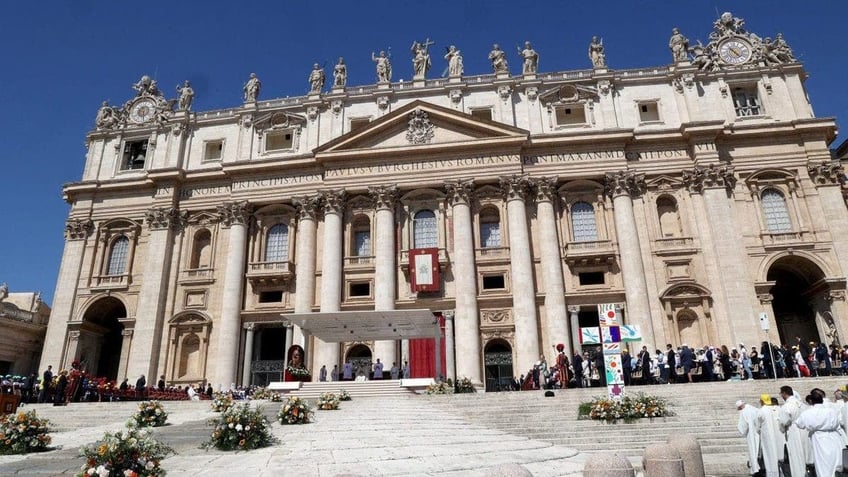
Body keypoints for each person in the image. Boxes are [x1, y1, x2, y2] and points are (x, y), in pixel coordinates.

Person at [797, 391, 843, 476]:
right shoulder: (831, 411)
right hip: (834, 437)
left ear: (811, 401)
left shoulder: (808, 412)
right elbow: (837, 423)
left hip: (819, 439)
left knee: (823, 465)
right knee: (836, 462)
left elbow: (800, 424)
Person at [757, 394, 784, 477]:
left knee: (770, 457)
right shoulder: (778, 409)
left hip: (767, 437)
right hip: (779, 436)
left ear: (761, 401)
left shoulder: (761, 411)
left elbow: (757, 426)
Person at [736, 399, 761, 476]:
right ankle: (760, 466)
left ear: (740, 407)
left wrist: (742, 431)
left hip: (751, 434)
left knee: (753, 450)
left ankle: (755, 469)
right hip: (758, 432)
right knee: (758, 449)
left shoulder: (744, 412)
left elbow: (743, 426)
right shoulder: (754, 409)